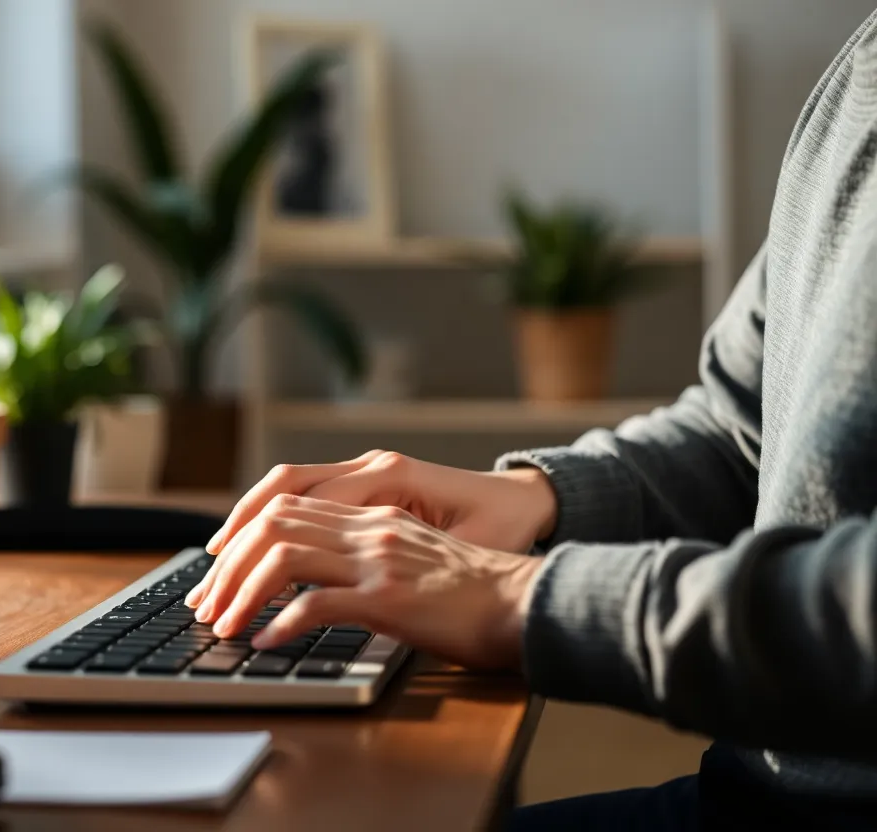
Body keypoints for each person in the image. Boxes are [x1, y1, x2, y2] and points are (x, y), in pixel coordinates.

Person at [185, 9, 877, 831]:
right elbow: (746, 431)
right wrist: (535, 497)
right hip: (761, 792)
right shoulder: (862, 61)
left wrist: (524, 596)